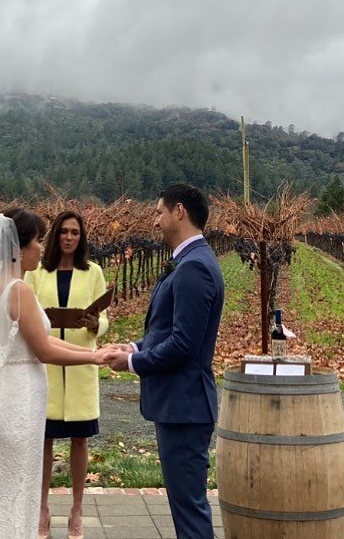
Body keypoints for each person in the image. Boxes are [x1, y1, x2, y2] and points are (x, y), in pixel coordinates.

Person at [0, 209, 108, 539]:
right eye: (36, 241)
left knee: (8, 488)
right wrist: (94, 357)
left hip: (10, 394)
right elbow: (45, 350)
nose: (41, 248)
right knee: (19, 490)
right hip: (20, 400)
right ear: (18, 248)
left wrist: (91, 352)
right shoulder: (18, 290)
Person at [104, 184, 224, 539]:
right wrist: (132, 347)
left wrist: (132, 364)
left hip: (185, 407)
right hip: (179, 406)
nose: (154, 222)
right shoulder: (189, 262)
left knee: (189, 510)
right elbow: (167, 330)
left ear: (179, 212)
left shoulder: (194, 268)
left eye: (158, 212)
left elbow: (183, 345)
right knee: (185, 506)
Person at [25, 210, 108, 539]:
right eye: (64, 232)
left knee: (79, 439)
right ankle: (41, 508)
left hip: (80, 363)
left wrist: (94, 324)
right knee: (43, 440)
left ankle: (77, 508)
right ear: (56, 236)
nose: (69, 237)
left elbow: (104, 317)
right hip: (45, 363)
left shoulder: (93, 273)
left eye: (75, 232)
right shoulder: (37, 274)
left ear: (81, 237)